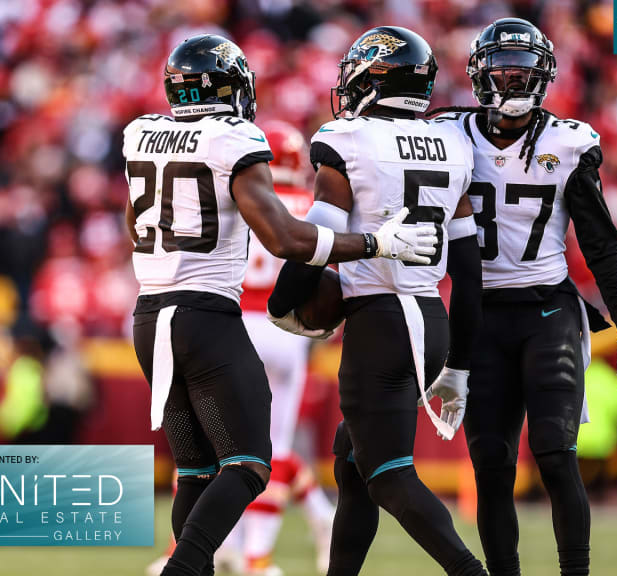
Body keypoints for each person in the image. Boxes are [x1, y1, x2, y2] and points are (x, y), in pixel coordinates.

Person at [126, 34, 440, 576]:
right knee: (249, 464)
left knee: (196, 472)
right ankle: (211, 565)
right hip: (210, 319)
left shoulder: (140, 134)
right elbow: (287, 241)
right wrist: (374, 243)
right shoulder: (234, 140)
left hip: (151, 315)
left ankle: (204, 563)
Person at [425, 17, 617, 576]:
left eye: (523, 72)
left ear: (545, 76)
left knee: (555, 453)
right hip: (478, 316)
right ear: (480, 76)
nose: (512, 83)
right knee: (491, 462)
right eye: (502, 72)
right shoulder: (448, 132)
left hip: (547, 310)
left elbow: (601, 244)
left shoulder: (569, 142)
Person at [267, 26, 486, 576]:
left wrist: (282, 305)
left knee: (387, 473)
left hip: (382, 321)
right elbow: (468, 270)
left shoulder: (348, 140)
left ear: (373, 78)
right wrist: (457, 364)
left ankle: (471, 572)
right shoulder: (454, 145)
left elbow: (316, 244)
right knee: (351, 459)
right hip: (430, 320)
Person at [228, 120, 334, 576]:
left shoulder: (241, 203)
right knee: (277, 446)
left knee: (225, 445)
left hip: (238, 325)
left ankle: (228, 551)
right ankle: (259, 557)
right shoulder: (311, 206)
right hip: (288, 330)